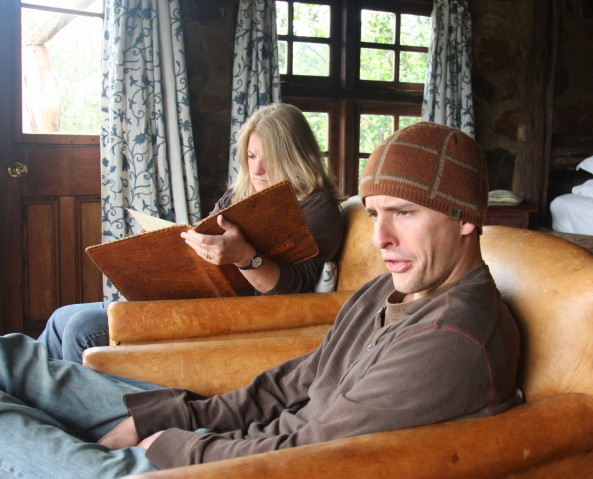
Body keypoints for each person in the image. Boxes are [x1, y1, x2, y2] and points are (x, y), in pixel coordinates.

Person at [0, 122, 520, 477]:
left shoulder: (452, 339)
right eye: (375, 214)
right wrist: (165, 419)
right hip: (235, 440)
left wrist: (174, 444)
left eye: (403, 213)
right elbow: (289, 382)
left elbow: (310, 455)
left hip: (231, 467)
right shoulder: (389, 290)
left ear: (466, 218)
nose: (380, 239)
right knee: (10, 359)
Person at [37, 103, 344, 363]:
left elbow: (292, 293)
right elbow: (201, 246)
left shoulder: (317, 207)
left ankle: (78, 410)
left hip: (231, 314)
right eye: (251, 156)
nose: (257, 169)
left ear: (294, 156)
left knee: (82, 329)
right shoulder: (240, 196)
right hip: (191, 298)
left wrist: (246, 258)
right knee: (60, 318)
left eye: (269, 157)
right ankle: (29, 400)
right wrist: (162, 245)